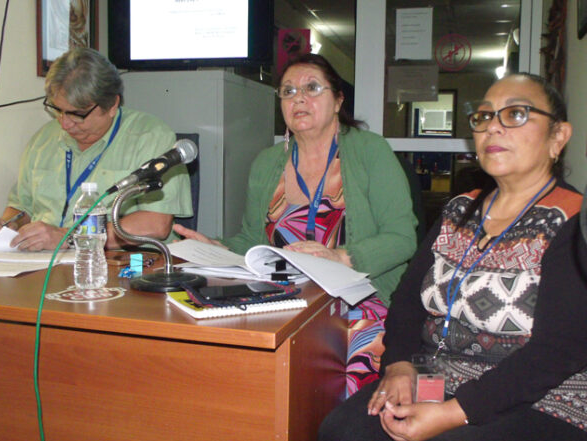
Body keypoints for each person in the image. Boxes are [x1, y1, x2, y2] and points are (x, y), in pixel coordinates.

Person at [318, 73, 587, 441]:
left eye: (516, 114)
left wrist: (455, 412)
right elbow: (407, 300)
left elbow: (556, 355)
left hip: (558, 396)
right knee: (343, 432)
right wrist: (400, 365)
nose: (493, 128)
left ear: (558, 137)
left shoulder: (581, 226)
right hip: (442, 375)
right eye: (484, 117)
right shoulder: (458, 211)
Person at [173, 53, 418, 395]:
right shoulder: (266, 163)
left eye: (312, 88)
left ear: (338, 101)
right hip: (284, 298)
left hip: (357, 300)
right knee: (231, 360)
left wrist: (340, 258)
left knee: (337, 377)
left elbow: (402, 239)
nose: (298, 98)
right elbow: (252, 239)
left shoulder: (370, 151)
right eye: (288, 91)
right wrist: (217, 247)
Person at [0, 47, 192, 251]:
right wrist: (8, 225)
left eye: (78, 114)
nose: (65, 124)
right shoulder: (42, 140)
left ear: (112, 105)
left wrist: (68, 238)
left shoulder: (152, 137)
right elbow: (21, 207)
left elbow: (155, 225)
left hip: (122, 264)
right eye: (58, 110)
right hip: (43, 265)